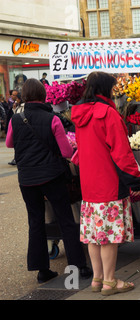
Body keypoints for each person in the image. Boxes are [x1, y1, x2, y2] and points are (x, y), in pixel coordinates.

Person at [5, 79, 92, 283]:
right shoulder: (52, 118)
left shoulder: (16, 119)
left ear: (25, 96)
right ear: (43, 95)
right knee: (66, 221)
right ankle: (79, 267)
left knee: (35, 221)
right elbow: (66, 151)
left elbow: (9, 143)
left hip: (26, 179)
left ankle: (42, 270)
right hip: (52, 176)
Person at [71, 71, 140, 296]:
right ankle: (110, 281)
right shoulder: (108, 114)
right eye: (113, 88)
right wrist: (135, 178)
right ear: (105, 89)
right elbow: (121, 152)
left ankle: (97, 278)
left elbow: (81, 150)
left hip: (89, 183)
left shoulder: (80, 114)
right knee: (109, 237)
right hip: (109, 182)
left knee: (94, 235)